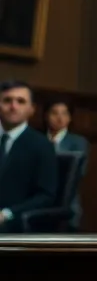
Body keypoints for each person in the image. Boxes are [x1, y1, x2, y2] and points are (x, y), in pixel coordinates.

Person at [0, 81, 58, 232]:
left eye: (20, 101)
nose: (13, 107)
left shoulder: (42, 145)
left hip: (15, 223)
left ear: (31, 109)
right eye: (7, 100)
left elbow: (46, 196)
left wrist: (7, 214)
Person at [45, 98, 89, 230]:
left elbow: (80, 172)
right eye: (55, 113)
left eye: (64, 113)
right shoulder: (37, 140)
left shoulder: (78, 142)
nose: (59, 118)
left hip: (68, 202)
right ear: (46, 116)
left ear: (70, 118)